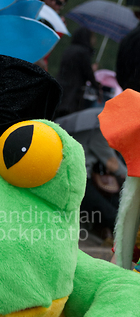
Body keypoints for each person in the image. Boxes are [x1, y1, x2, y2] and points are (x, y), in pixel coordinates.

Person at [56, 107, 126, 240]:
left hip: (73, 171)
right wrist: (132, 174)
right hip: (74, 173)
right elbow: (111, 162)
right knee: (106, 210)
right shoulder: (101, 129)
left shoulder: (95, 125)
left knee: (111, 206)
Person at [56, 27, 100, 117]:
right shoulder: (83, 52)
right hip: (73, 92)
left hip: (61, 88)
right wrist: (97, 87)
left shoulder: (69, 50)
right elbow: (87, 73)